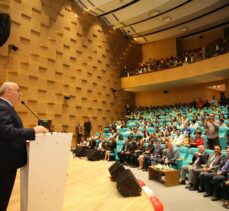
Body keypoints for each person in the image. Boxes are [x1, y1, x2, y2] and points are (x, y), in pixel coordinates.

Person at [0, 82, 48, 211]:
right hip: (4, 162)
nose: (20, 94)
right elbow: (7, 131)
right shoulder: (3, 107)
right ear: (8, 91)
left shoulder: (6, 107)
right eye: (18, 90)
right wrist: (33, 131)